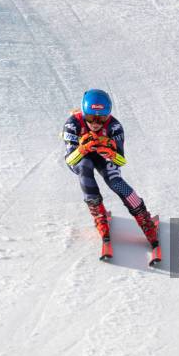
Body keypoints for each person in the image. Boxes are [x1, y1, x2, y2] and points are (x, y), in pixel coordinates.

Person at [62, 89, 158, 258]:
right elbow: (70, 161)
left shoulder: (114, 126)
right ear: (83, 114)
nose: (96, 123)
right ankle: (98, 214)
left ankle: (144, 217)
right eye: (91, 118)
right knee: (84, 167)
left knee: (115, 181)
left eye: (102, 118)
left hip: (103, 155)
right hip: (81, 156)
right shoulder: (72, 124)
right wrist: (83, 148)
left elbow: (121, 161)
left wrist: (110, 152)